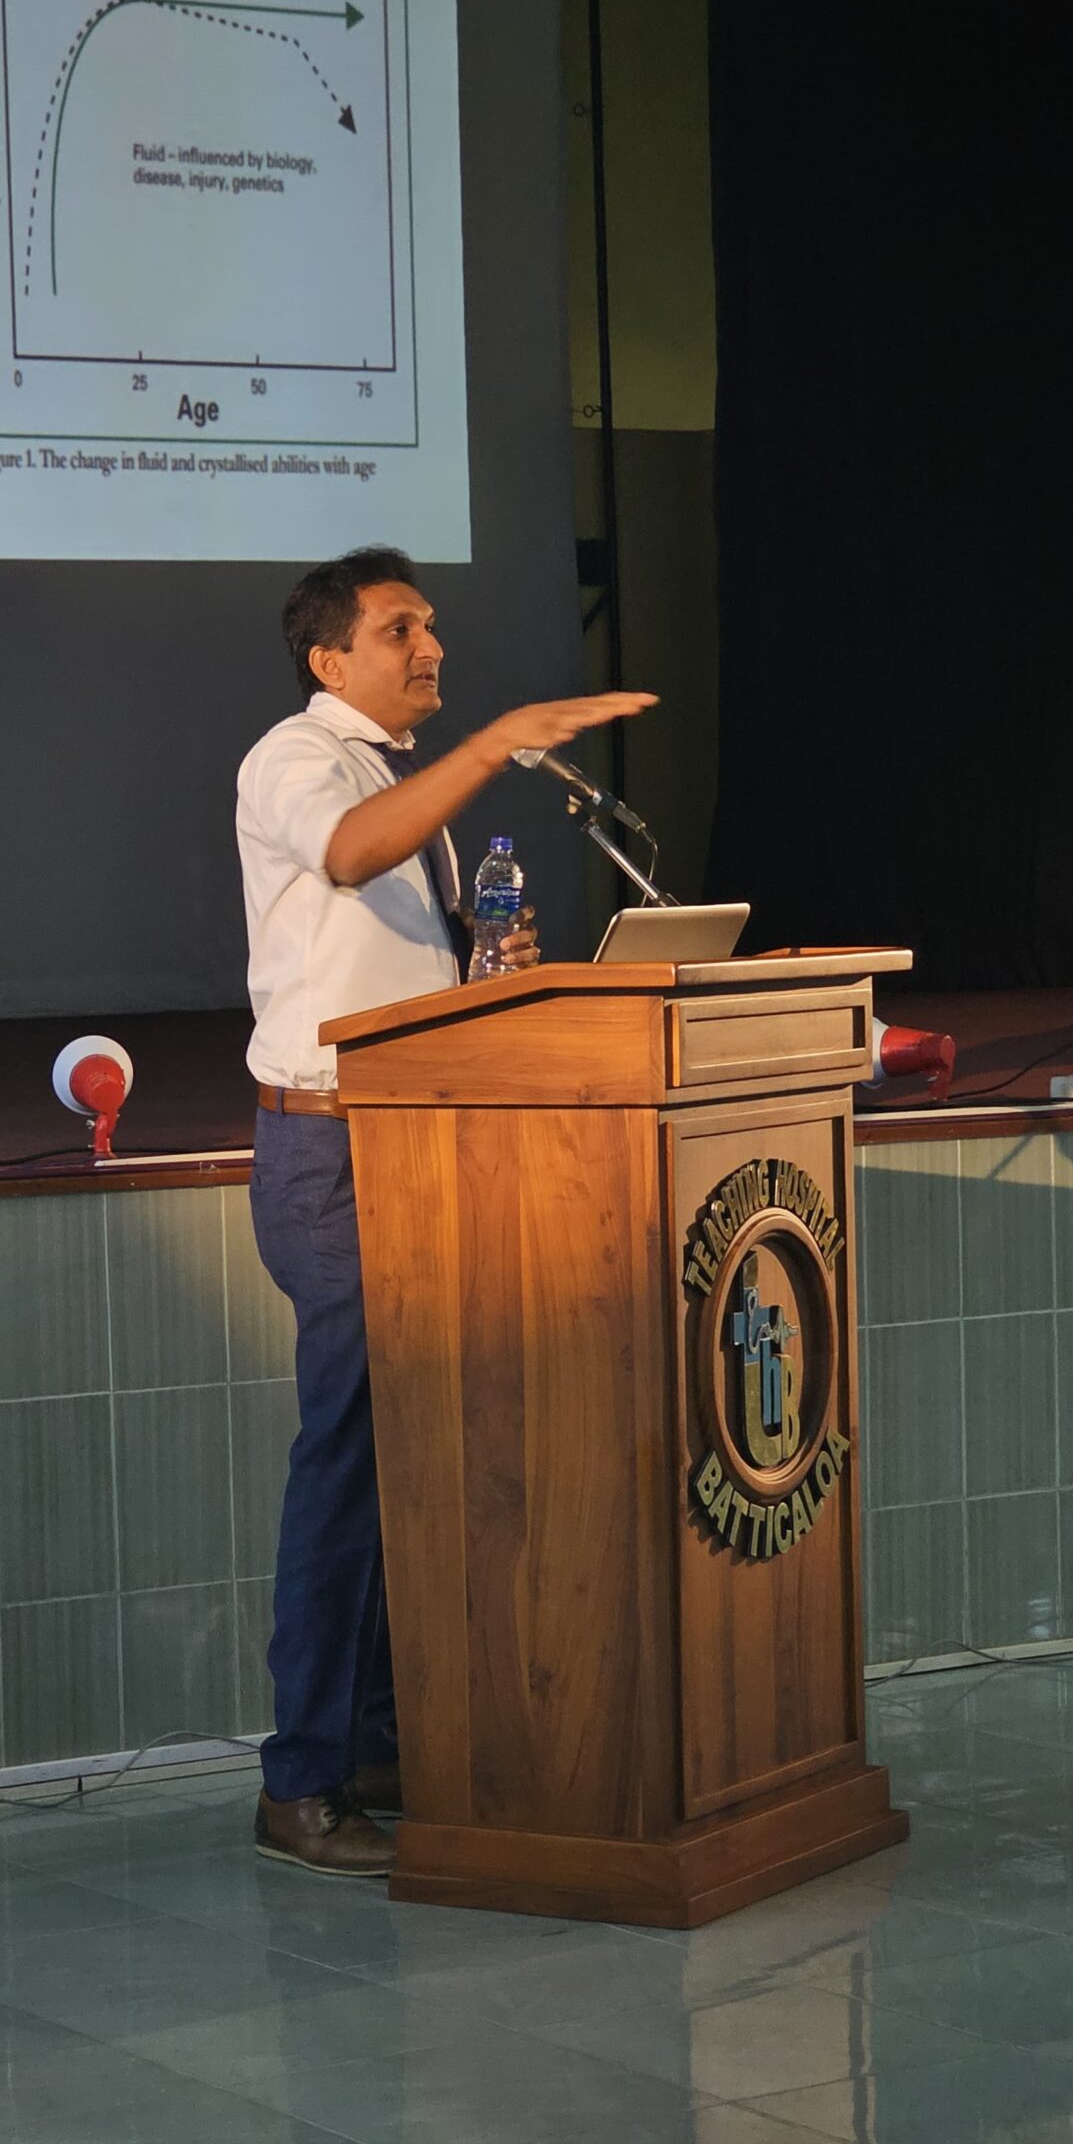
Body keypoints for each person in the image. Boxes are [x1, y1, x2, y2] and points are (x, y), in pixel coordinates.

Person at [236, 546, 655, 1877]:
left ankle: (375, 1749)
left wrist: (485, 970)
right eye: (400, 629)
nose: (431, 646)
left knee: (405, 1456)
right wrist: (492, 745)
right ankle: (301, 1782)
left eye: (431, 625)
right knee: (350, 1452)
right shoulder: (299, 759)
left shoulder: (402, 780)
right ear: (330, 659)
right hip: (328, 1156)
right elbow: (349, 857)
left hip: (413, 1140)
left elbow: (387, 966)